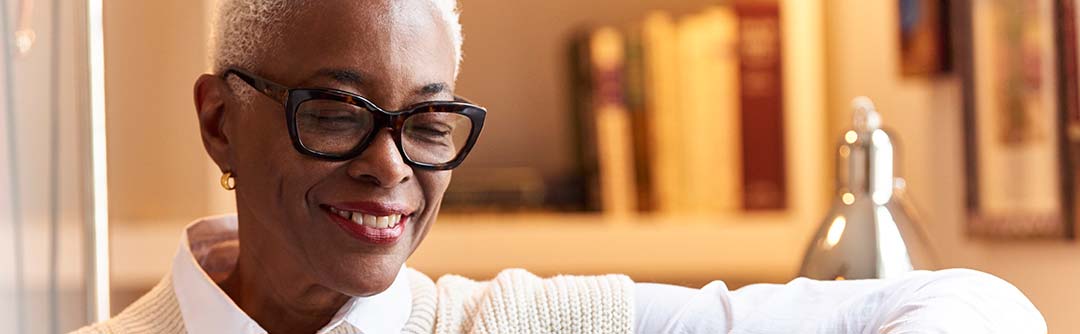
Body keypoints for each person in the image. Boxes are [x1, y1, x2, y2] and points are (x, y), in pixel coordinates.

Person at [74, 0, 1046, 333]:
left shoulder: (532, 320)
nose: (390, 166)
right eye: (336, 111)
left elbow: (977, 305)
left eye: (427, 122)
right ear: (218, 122)